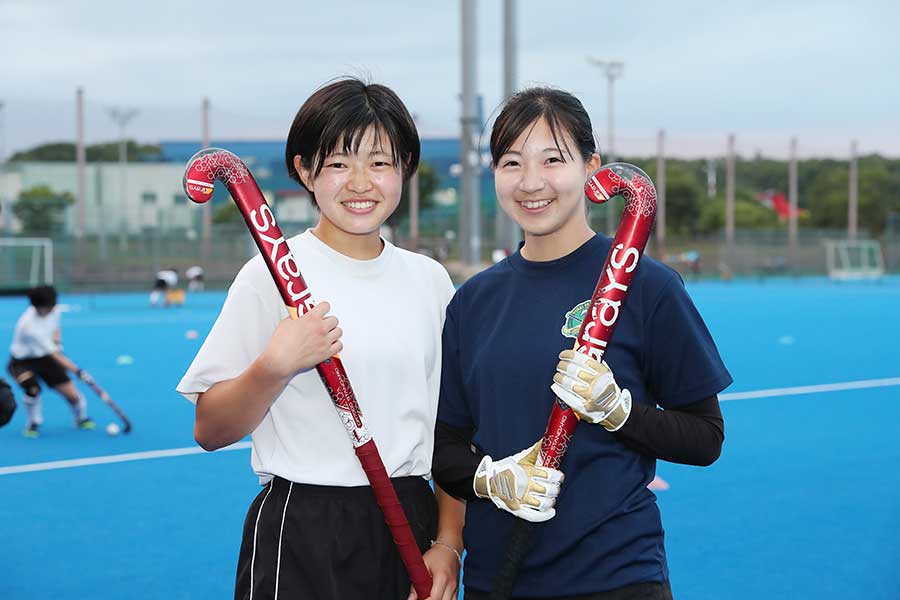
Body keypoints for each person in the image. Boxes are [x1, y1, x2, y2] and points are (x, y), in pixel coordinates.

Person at [432, 88, 732, 599]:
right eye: (511, 162)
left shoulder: (647, 285)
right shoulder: (472, 302)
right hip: (496, 579)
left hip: (617, 577)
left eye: (553, 159)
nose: (531, 182)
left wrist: (618, 411)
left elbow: (706, 438)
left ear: (592, 166)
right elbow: (444, 449)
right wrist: (490, 478)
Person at [177, 78, 463, 600]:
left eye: (380, 162)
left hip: (409, 518)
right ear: (305, 171)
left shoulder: (430, 281)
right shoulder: (271, 274)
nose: (360, 182)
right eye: (338, 163)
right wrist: (275, 365)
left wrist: (448, 542)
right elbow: (210, 429)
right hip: (302, 527)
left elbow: (453, 427)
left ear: (404, 170)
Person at [7, 285, 96, 437]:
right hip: (22, 362)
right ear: (36, 307)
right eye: (48, 307)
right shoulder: (28, 326)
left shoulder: (54, 310)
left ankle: (80, 418)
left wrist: (57, 343)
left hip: (45, 358)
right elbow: (55, 355)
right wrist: (79, 372)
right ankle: (34, 422)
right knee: (32, 389)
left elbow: (55, 328)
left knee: (72, 395)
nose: (52, 309)